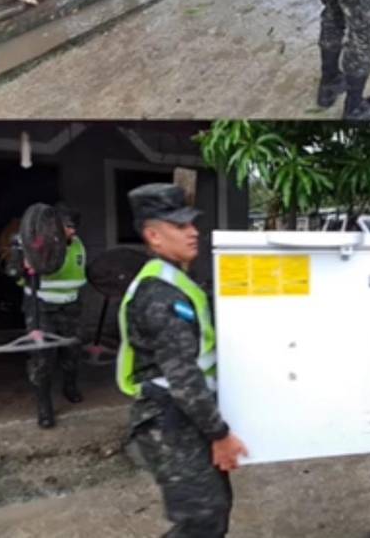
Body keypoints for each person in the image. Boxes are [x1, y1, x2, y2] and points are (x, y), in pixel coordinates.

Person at [117, 183, 248, 538]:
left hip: (185, 418)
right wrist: (219, 434)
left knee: (212, 511)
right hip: (169, 420)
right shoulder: (160, 294)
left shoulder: (177, 281)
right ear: (154, 236)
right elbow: (184, 377)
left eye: (192, 224)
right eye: (180, 226)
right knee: (201, 520)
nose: (193, 232)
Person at [9, 202, 87, 428]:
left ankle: (70, 386)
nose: (72, 231)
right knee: (43, 357)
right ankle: (44, 407)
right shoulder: (37, 245)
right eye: (67, 226)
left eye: (74, 227)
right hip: (41, 307)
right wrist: (22, 262)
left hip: (71, 307)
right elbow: (13, 272)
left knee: (72, 351)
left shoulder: (78, 245)